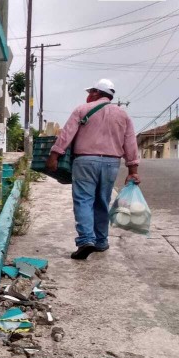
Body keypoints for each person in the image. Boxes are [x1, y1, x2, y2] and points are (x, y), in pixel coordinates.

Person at [46, 79, 140, 260]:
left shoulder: (82, 110)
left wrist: (54, 155)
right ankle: (101, 241)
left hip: (85, 160)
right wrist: (133, 171)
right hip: (112, 163)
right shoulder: (123, 115)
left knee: (83, 200)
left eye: (90, 92)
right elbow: (130, 143)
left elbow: (67, 134)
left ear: (97, 92)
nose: (88, 95)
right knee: (102, 201)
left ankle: (86, 240)